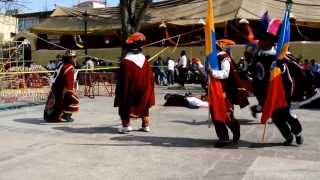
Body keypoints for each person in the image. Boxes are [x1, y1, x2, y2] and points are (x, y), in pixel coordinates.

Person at [114, 32, 155, 133]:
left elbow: (123, 79)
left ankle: (126, 125)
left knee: (124, 104)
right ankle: (145, 125)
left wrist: (119, 92)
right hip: (144, 88)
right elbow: (150, 77)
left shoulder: (126, 62)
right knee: (144, 105)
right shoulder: (145, 60)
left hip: (130, 90)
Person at [208, 45, 241, 147]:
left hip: (225, 90)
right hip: (214, 90)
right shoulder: (211, 57)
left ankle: (235, 130)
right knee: (215, 113)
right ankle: (223, 138)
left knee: (227, 114)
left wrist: (213, 72)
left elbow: (226, 73)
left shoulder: (223, 57)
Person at [44, 50, 79, 122]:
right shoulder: (69, 67)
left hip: (55, 87)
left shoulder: (61, 64)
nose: (75, 59)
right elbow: (68, 82)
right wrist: (69, 91)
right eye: (74, 57)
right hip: (61, 88)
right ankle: (65, 116)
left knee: (55, 103)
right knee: (72, 100)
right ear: (71, 58)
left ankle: (51, 116)